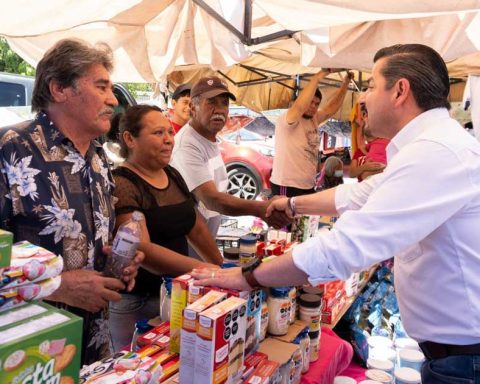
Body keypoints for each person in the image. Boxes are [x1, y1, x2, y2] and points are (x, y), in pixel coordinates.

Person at [192, 44, 480, 384]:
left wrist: (250, 276)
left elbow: (346, 246)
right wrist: (294, 205)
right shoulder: (432, 145)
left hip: (463, 361)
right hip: (456, 355)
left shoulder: (435, 152)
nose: (363, 99)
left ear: (400, 90)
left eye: (371, 86)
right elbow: (360, 193)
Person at [0, 38, 143, 364]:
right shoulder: (10, 147)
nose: (112, 100)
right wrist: (55, 286)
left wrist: (118, 264)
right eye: (102, 87)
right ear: (59, 89)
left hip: (94, 348)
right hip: (27, 354)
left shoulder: (98, 157)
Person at [109, 104, 222, 350]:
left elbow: (195, 226)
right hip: (137, 303)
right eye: (158, 133)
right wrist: (207, 270)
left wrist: (222, 268)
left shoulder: (171, 174)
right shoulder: (122, 183)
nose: (169, 140)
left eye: (170, 133)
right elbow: (144, 249)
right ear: (130, 139)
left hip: (177, 295)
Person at [170, 76, 289, 245]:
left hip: (205, 244)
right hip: (187, 248)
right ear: (193, 107)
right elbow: (212, 199)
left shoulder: (209, 138)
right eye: (211, 102)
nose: (219, 110)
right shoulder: (187, 146)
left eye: (224, 103)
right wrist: (262, 209)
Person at [270, 70, 352, 197]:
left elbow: (331, 109)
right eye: (310, 102)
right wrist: (317, 77)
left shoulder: (314, 118)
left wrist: (345, 84)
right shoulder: (288, 118)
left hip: (308, 185)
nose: (313, 106)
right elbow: (299, 107)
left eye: (316, 104)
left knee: (307, 218)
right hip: (287, 186)